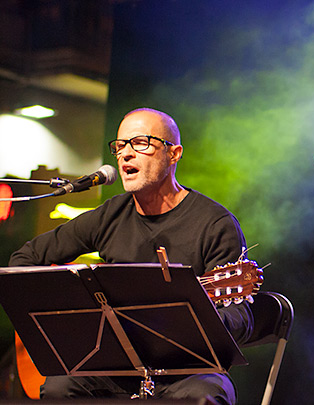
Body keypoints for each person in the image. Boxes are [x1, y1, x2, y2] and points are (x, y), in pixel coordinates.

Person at [9, 108, 252, 404]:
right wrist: (69, 321)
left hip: (188, 370)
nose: (125, 154)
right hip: (113, 365)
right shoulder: (110, 215)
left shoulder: (215, 224)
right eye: (120, 145)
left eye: (140, 143)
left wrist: (193, 321)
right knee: (60, 388)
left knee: (204, 395)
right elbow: (24, 260)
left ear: (173, 154)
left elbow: (240, 316)